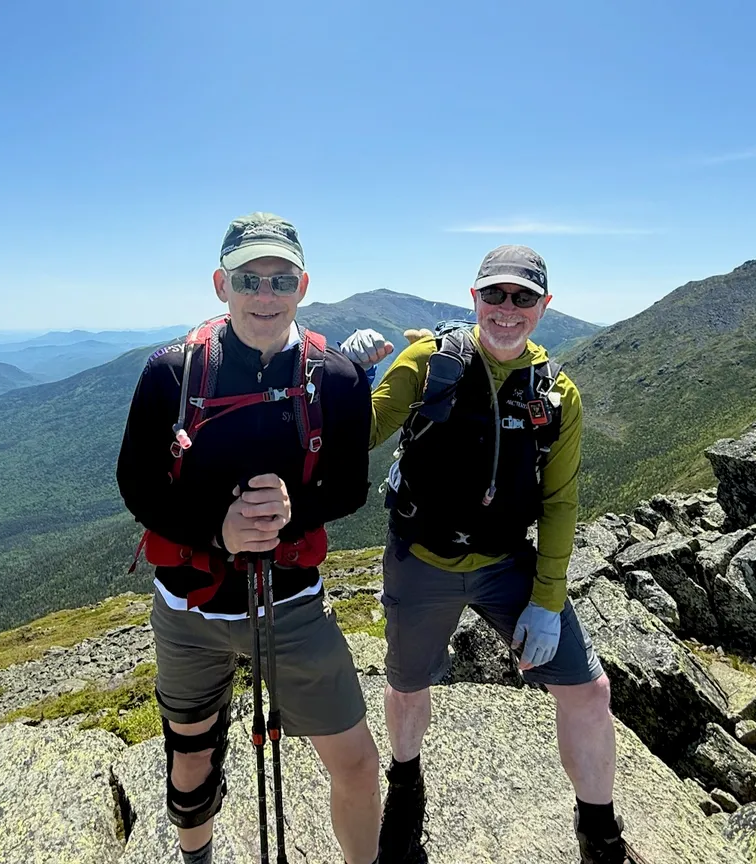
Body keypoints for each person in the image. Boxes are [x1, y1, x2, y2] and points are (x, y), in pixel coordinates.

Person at [338, 245, 642, 864]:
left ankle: (600, 834)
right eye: (495, 295)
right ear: (473, 298)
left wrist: (548, 603)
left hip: (507, 563)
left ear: (544, 306)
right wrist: (346, 377)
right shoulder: (429, 363)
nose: (508, 309)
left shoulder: (556, 393)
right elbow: (358, 436)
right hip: (422, 559)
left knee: (588, 690)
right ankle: (406, 784)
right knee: (406, 684)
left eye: (523, 297)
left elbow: (560, 502)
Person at [117, 213, 381, 864]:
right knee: (191, 759)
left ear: (302, 285)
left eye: (280, 279)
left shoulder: (340, 381)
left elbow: (348, 487)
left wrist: (289, 514)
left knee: (356, 762)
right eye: (249, 279)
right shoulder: (170, 374)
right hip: (191, 609)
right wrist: (218, 527)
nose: (265, 294)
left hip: (289, 603)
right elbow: (137, 484)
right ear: (221, 284)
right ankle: (196, 857)